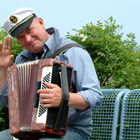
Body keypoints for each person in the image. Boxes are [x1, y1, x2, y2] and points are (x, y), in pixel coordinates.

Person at [0, 7, 103, 140]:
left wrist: (64, 98)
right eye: (20, 37)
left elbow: (95, 95)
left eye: (30, 31)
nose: (28, 39)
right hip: (29, 130)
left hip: (71, 130)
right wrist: (2, 69)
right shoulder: (22, 59)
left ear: (41, 23)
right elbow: (5, 101)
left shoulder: (72, 52)